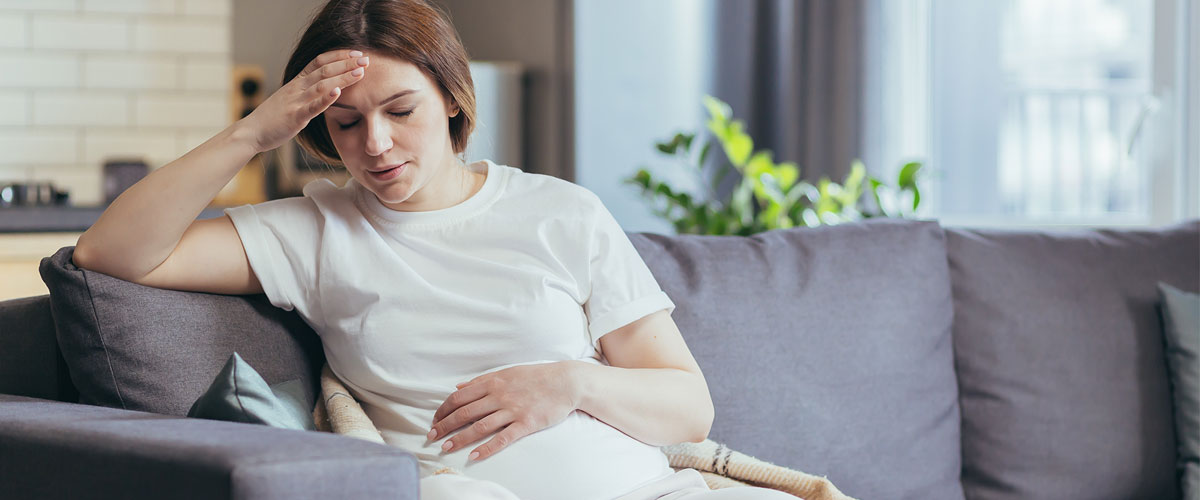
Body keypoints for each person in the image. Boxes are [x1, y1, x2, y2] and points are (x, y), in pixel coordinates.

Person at [72, 1, 796, 499]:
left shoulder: (559, 211)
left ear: (450, 98)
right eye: (345, 123)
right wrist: (252, 133)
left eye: (399, 110)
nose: (374, 145)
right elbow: (112, 252)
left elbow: (687, 407)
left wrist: (571, 383)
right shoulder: (313, 230)